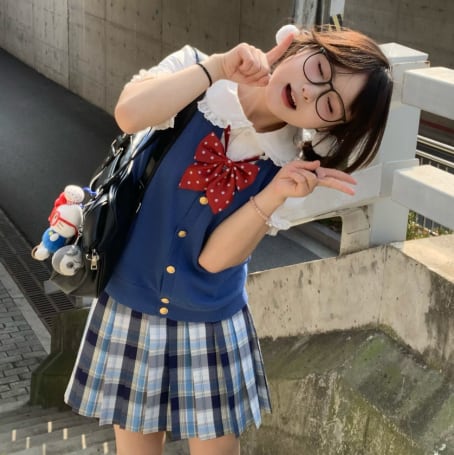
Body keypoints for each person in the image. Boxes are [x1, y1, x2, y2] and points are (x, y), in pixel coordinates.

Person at [64, 24, 393, 455]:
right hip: (131, 301)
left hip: (211, 322)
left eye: (329, 104)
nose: (310, 92)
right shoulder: (198, 74)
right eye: (318, 69)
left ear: (331, 127)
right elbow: (129, 114)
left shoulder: (288, 166)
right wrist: (217, 67)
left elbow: (214, 261)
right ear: (299, 46)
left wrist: (274, 194)